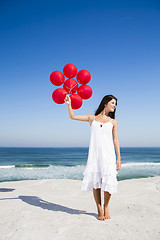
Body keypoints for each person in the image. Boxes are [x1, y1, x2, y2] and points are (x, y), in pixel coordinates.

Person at [64, 94, 121, 221]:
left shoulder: (113, 122)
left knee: (109, 182)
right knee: (96, 183)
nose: (115, 106)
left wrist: (118, 158)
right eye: (113, 103)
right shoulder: (92, 118)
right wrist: (69, 104)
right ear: (105, 103)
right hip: (95, 156)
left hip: (109, 155)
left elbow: (116, 140)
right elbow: (72, 116)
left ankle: (106, 206)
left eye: (115, 104)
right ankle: (99, 208)